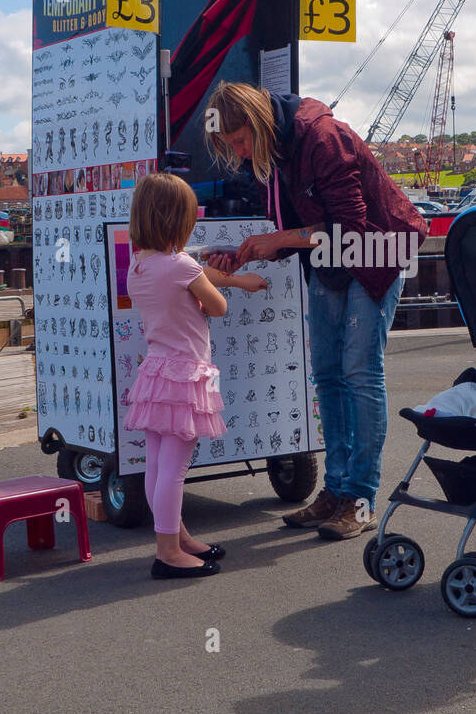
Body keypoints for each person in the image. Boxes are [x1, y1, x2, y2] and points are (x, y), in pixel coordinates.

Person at [205, 81, 427, 540]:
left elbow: (351, 228)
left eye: (240, 141)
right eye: (231, 147)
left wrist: (281, 240)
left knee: (360, 372)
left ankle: (361, 497)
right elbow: (304, 229)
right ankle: (336, 489)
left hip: (380, 251)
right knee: (327, 372)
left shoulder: (323, 137)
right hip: (333, 261)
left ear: (257, 121)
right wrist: (251, 251)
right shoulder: (279, 148)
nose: (241, 153)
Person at [124, 172, 267, 579]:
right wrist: (235, 284)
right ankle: (167, 552)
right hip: (186, 375)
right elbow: (218, 305)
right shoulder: (182, 265)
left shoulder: (140, 266)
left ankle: (178, 536)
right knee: (175, 468)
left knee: (155, 465)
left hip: (155, 372)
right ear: (178, 222)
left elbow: (181, 299)